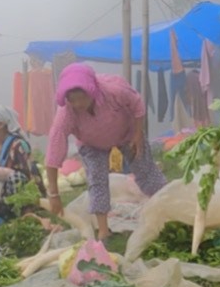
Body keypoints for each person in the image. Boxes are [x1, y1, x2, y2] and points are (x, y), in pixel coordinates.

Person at [45, 63, 167, 239]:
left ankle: (168, 210)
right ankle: (103, 231)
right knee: (97, 181)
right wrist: (54, 194)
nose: (78, 103)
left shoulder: (113, 91)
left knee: (145, 171)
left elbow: (137, 105)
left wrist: (138, 134)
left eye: (82, 97)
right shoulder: (65, 114)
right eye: (73, 99)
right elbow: (53, 153)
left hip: (127, 132)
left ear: (91, 90)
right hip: (91, 144)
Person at [0, 105, 47, 224]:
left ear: (0, 125)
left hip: (14, 197)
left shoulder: (18, 145)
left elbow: (28, 178)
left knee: (16, 178)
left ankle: (23, 213)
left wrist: (2, 174)